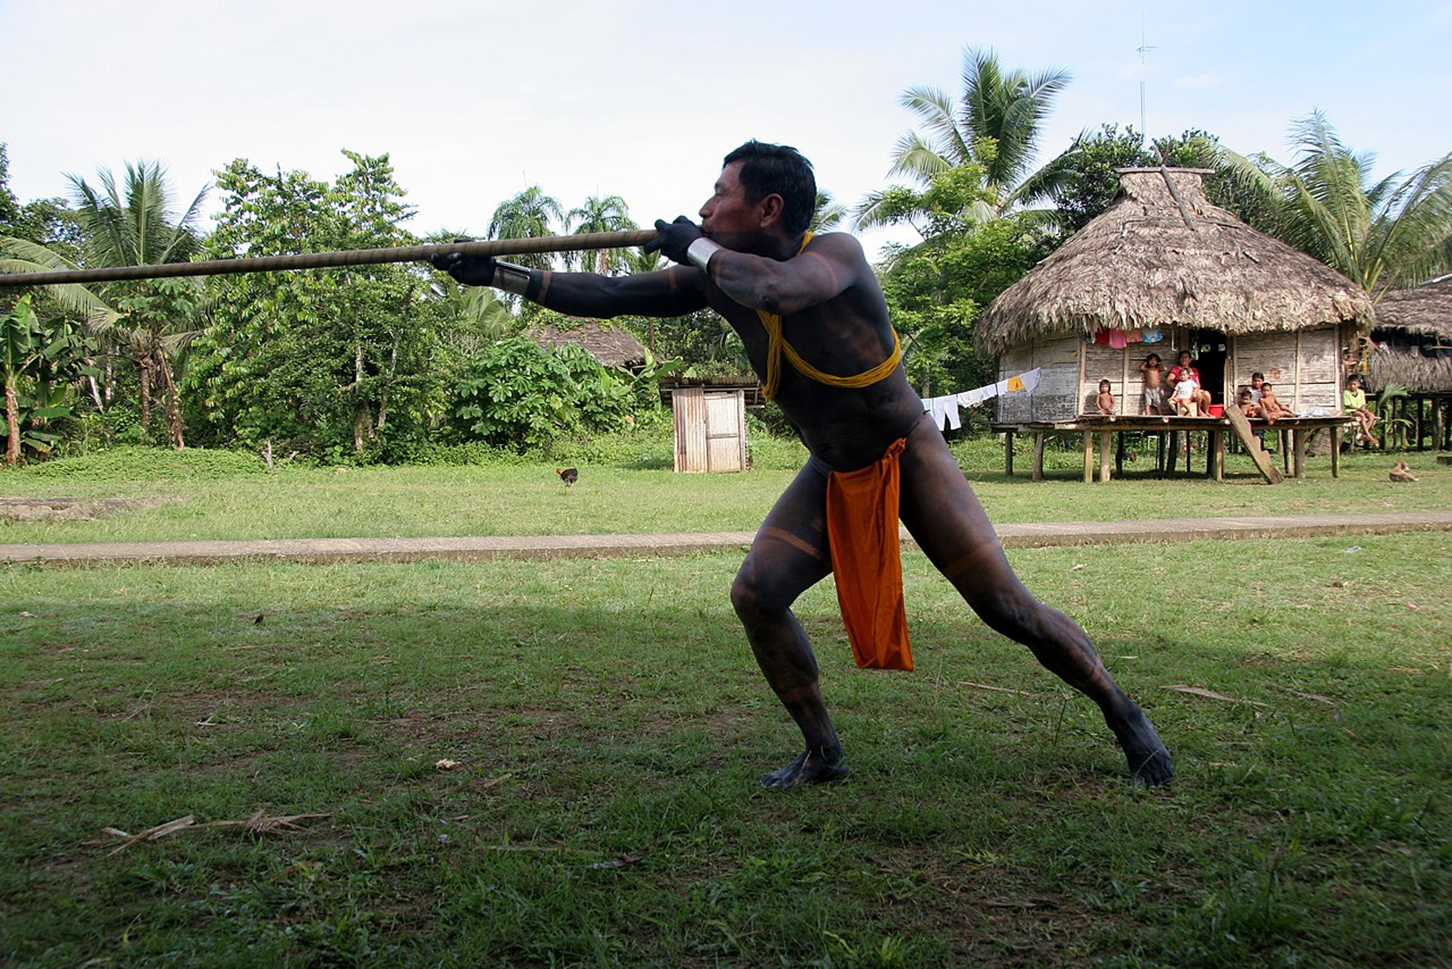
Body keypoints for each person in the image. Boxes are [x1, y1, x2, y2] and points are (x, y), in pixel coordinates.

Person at [432, 140, 1172, 788]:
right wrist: (497, 274)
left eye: (720, 195)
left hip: (905, 453)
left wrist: (695, 244)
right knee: (757, 593)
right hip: (831, 468)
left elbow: (778, 291)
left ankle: (1125, 714)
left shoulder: (835, 257)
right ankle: (823, 749)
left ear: (767, 208)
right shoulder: (717, 276)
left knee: (1006, 607)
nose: (705, 205)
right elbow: (611, 294)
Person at [1343, 375, 1379, 447]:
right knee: (1361, 415)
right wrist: (1359, 409)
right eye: (1350, 384)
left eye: (1354, 384)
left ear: (1358, 384)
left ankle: (1363, 434)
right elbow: (1348, 405)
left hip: (1360, 410)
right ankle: (1369, 435)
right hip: (1351, 411)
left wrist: (1363, 409)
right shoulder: (1346, 393)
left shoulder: (1361, 392)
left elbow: (1363, 403)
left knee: (1371, 416)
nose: (1352, 386)